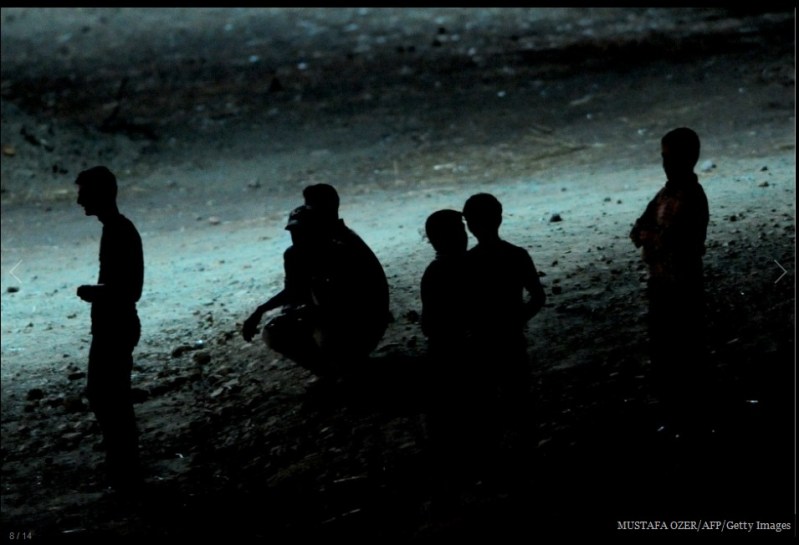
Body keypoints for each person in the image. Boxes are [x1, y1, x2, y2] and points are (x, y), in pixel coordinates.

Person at [242, 192, 389, 378]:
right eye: (293, 232)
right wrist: (262, 310)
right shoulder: (296, 255)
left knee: (317, 336)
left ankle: (339, 369)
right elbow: (294, 291)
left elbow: (345, 302)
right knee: (277, 330)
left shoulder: (339, 252)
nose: (297, 237)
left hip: (356, 322)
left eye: (302, 231)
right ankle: (329, 371)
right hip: (333, 317)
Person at [461, 193, 546, 489]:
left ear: (470, 225)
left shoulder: (467, 263)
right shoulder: (517, 255)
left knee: (484, 404)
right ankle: (527, 459)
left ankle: (494, 466)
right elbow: (538, 297)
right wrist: (516, 319)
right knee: (519, 399)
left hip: (481, 343)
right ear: (499, 218)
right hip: (511, 339)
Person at [630, 127, 710, 435]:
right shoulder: (671, 193)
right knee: (671, 347)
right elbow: (643, 228)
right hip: (667, 280)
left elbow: (672, 239)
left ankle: (685, 413)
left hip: (680, 282)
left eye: (668, 157)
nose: (665, 163)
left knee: (681, 348)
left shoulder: (688, 196)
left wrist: (650, 236)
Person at [75, 165, 144, 494]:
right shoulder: (117, 228)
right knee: (110, 399)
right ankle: (124, 470)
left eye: (83, 192)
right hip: (114, 325)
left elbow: (129, 289)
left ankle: (125, 474)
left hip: (115, 326)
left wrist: (94, 291)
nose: (78, 200)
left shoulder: (119, 230)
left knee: (108, 399)